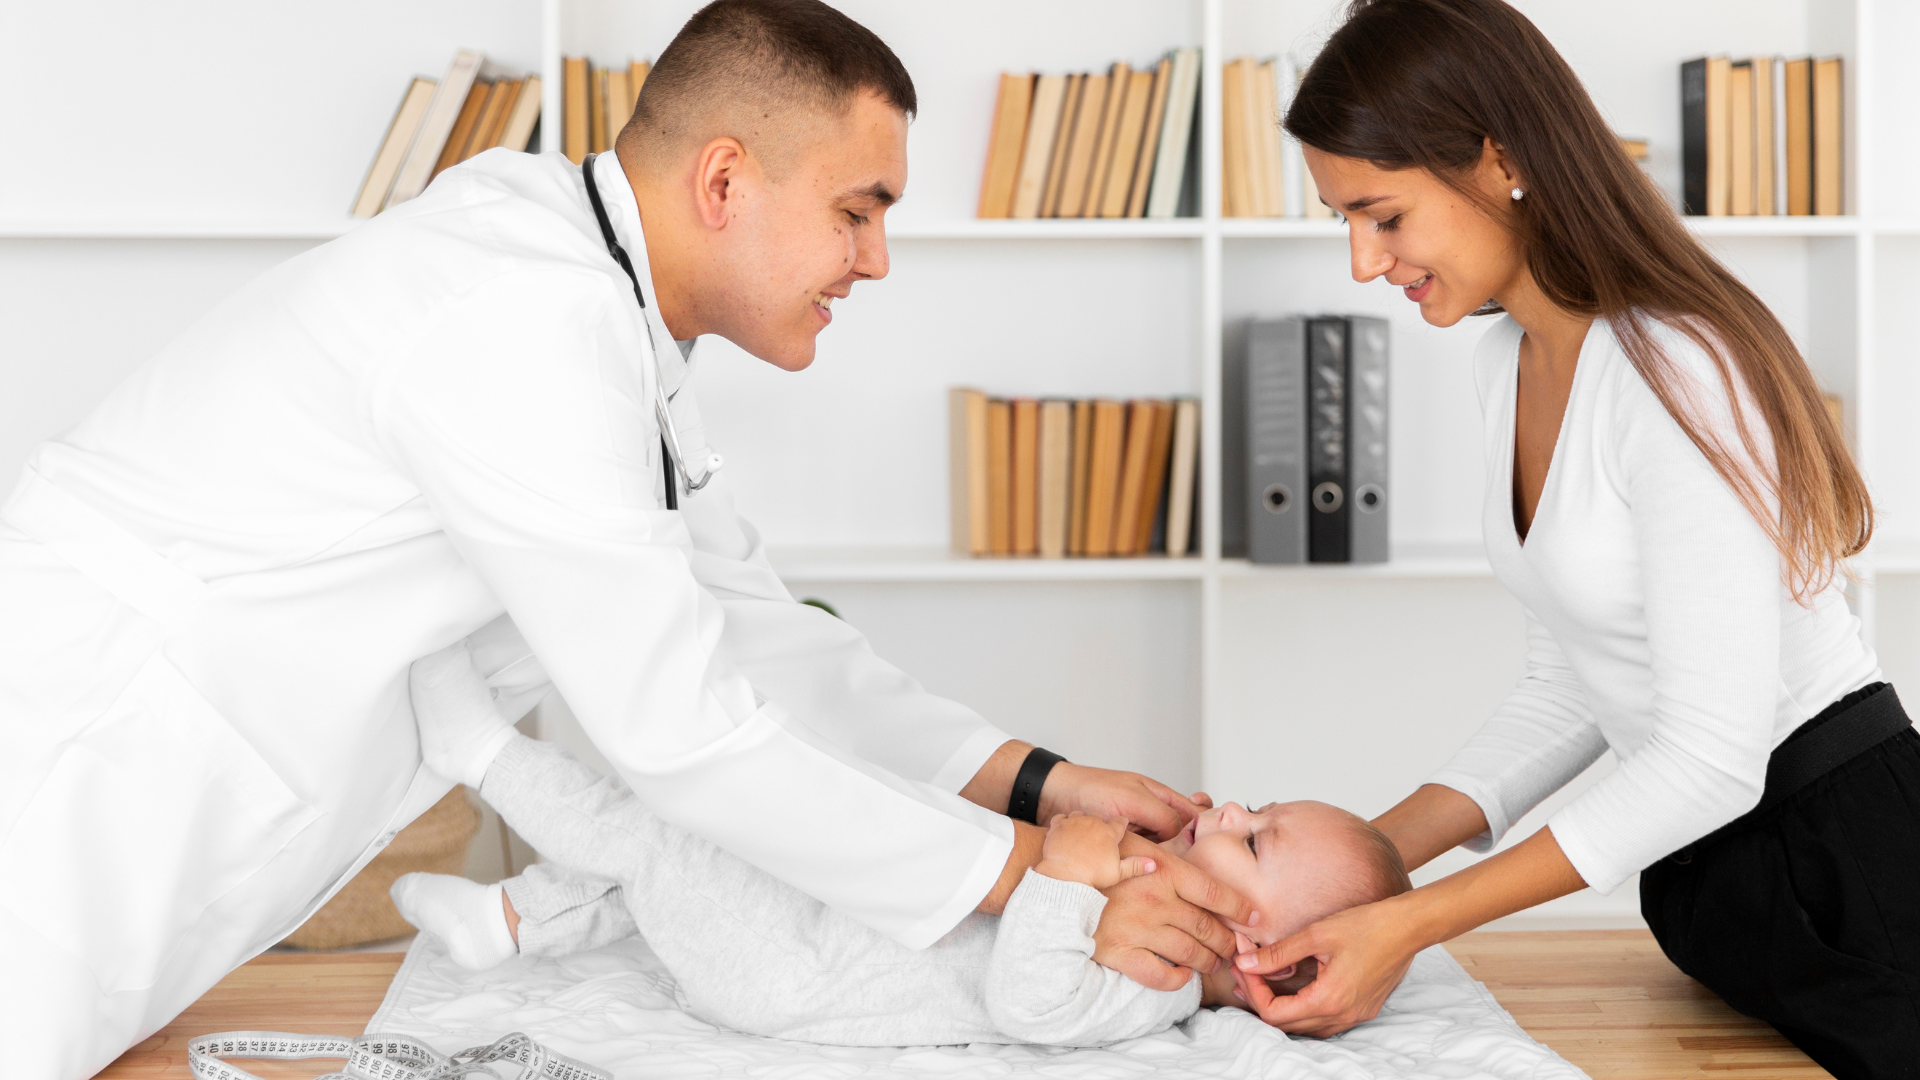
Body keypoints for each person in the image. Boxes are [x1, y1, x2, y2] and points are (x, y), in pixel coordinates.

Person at [0, 3, 1254, 1075]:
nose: (876, 261)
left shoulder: (596, 305)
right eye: (856, 211)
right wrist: (1039, 873)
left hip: (167, 786)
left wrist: (1044, 786)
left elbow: (754, 633)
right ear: (723, 182)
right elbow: (684, 737)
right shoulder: (524, 318)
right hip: (78, 758)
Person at [1226, 2, 1919, 1075]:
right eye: (1343, 222)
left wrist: (1411, 921)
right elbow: (1573, 685)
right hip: (1712, 882)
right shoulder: (1505, 363)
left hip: (1852, 866)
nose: (1364, 262)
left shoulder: (1678, 371)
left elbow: (1711, 756)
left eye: (1383, 215)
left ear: (1498, 159)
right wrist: (1357, 871)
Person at [390, 638, 1410, 1046]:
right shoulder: (1142, 891)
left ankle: (479, 753)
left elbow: (1034, 1003)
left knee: (664, 833)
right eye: (1257, 805)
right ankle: (510, 922)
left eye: (1258, 841)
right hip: (815, 924)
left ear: (1253, 950)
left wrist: (1060, 876)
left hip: (785, 974)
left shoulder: (1162, 978)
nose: (1229, 812)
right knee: (713, 849)